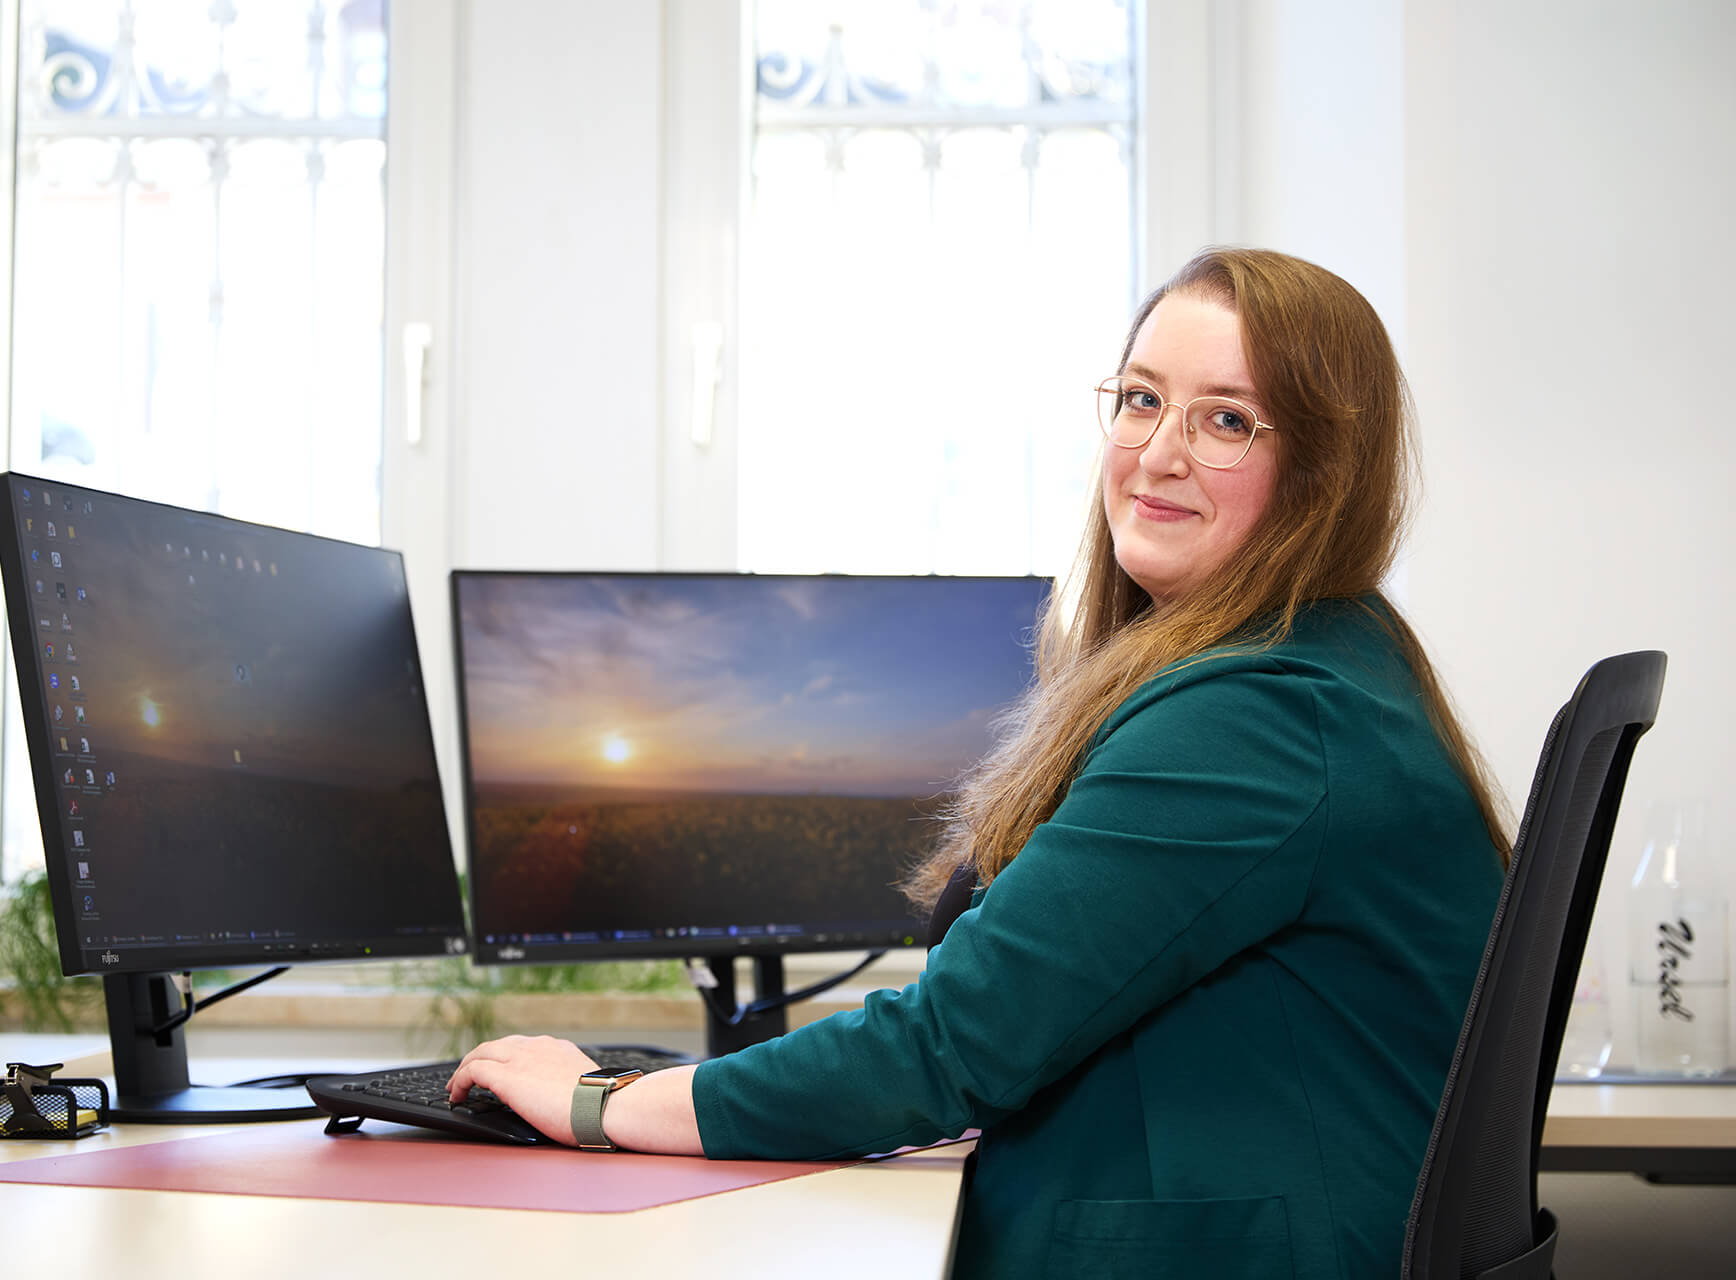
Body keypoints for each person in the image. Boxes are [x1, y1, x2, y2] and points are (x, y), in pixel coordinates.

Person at [446, 248, 1507, 1278]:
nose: (1160, 451)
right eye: (1140, 399)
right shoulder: (1327, 663)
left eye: (1227, 419)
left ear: (1323, 472)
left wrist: (600, 1101)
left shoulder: (1257, 717)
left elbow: (951, 1043)